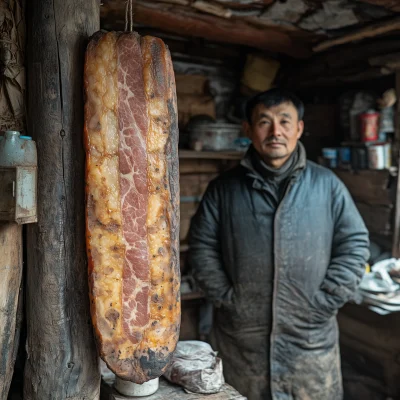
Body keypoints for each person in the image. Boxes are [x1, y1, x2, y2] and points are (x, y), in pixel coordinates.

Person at [188, 88, 369, 400]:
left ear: (299, 128)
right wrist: (228, 298)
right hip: (243, 340)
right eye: (264, 122)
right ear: (247, 129)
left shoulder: (326, 185)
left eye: (285, 121)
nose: (276, 132)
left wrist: (326, 298)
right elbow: (201, 246)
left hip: (310, 340)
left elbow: (354, 243)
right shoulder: (224, 190)